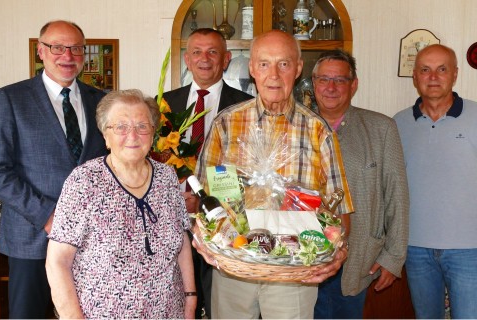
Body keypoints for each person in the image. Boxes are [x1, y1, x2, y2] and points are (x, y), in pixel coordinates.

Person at [193, 30, 354, 319]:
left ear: (299, 67)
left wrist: (339, 253)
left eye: (284, 64)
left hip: (295, 271)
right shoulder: (226, 124)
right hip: (234, 267)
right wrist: (202, 240)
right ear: (252, 68)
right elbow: (204, 199)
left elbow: (339, 209)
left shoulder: (318, 131)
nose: (274, 75)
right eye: (264, 64)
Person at [45, 89, 196, 318]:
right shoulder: (84, 181)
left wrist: (191, 299)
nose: (133, 135)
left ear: (153, 133)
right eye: (121, 127)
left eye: (142, 126)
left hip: (169, 312)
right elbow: (57, 262)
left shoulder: (166, 177)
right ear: (106, 135)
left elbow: (182, 241)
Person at [0, 20, 107, 318]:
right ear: (40, 51)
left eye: (76, 49)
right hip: (31, 237)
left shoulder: (102, 101)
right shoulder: (9, 99)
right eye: (57, 47)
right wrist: (47, 216)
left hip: (90, 240)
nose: (67, 56)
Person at [311, 50, 409, 318]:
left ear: (354, 84)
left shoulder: (381, 128)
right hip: (301, 256)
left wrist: (393, 257)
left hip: (357, 258)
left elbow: (397, 196)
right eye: (324, 79)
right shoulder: (296, 126)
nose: (331, 88)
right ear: (313, 83)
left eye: (340, 80)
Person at [163, 27, 253, 319]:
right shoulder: (164, 103)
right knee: (179, 299)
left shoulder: (245, 106)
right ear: (187, 59)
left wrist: (204, 200)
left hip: (223, 218)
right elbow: (154, 160)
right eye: (197, 52)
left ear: (226, 59)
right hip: (174, 219)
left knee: (219, 303)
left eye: (213, 52)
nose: (205, 59)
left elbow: (249, 165)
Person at [394, 44, 477, 319]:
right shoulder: (398, 124)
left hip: (470, 250)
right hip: (415, 248)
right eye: (425, 70)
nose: (433, 77)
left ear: (455, 74)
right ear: (415, 77)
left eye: (442, 69)